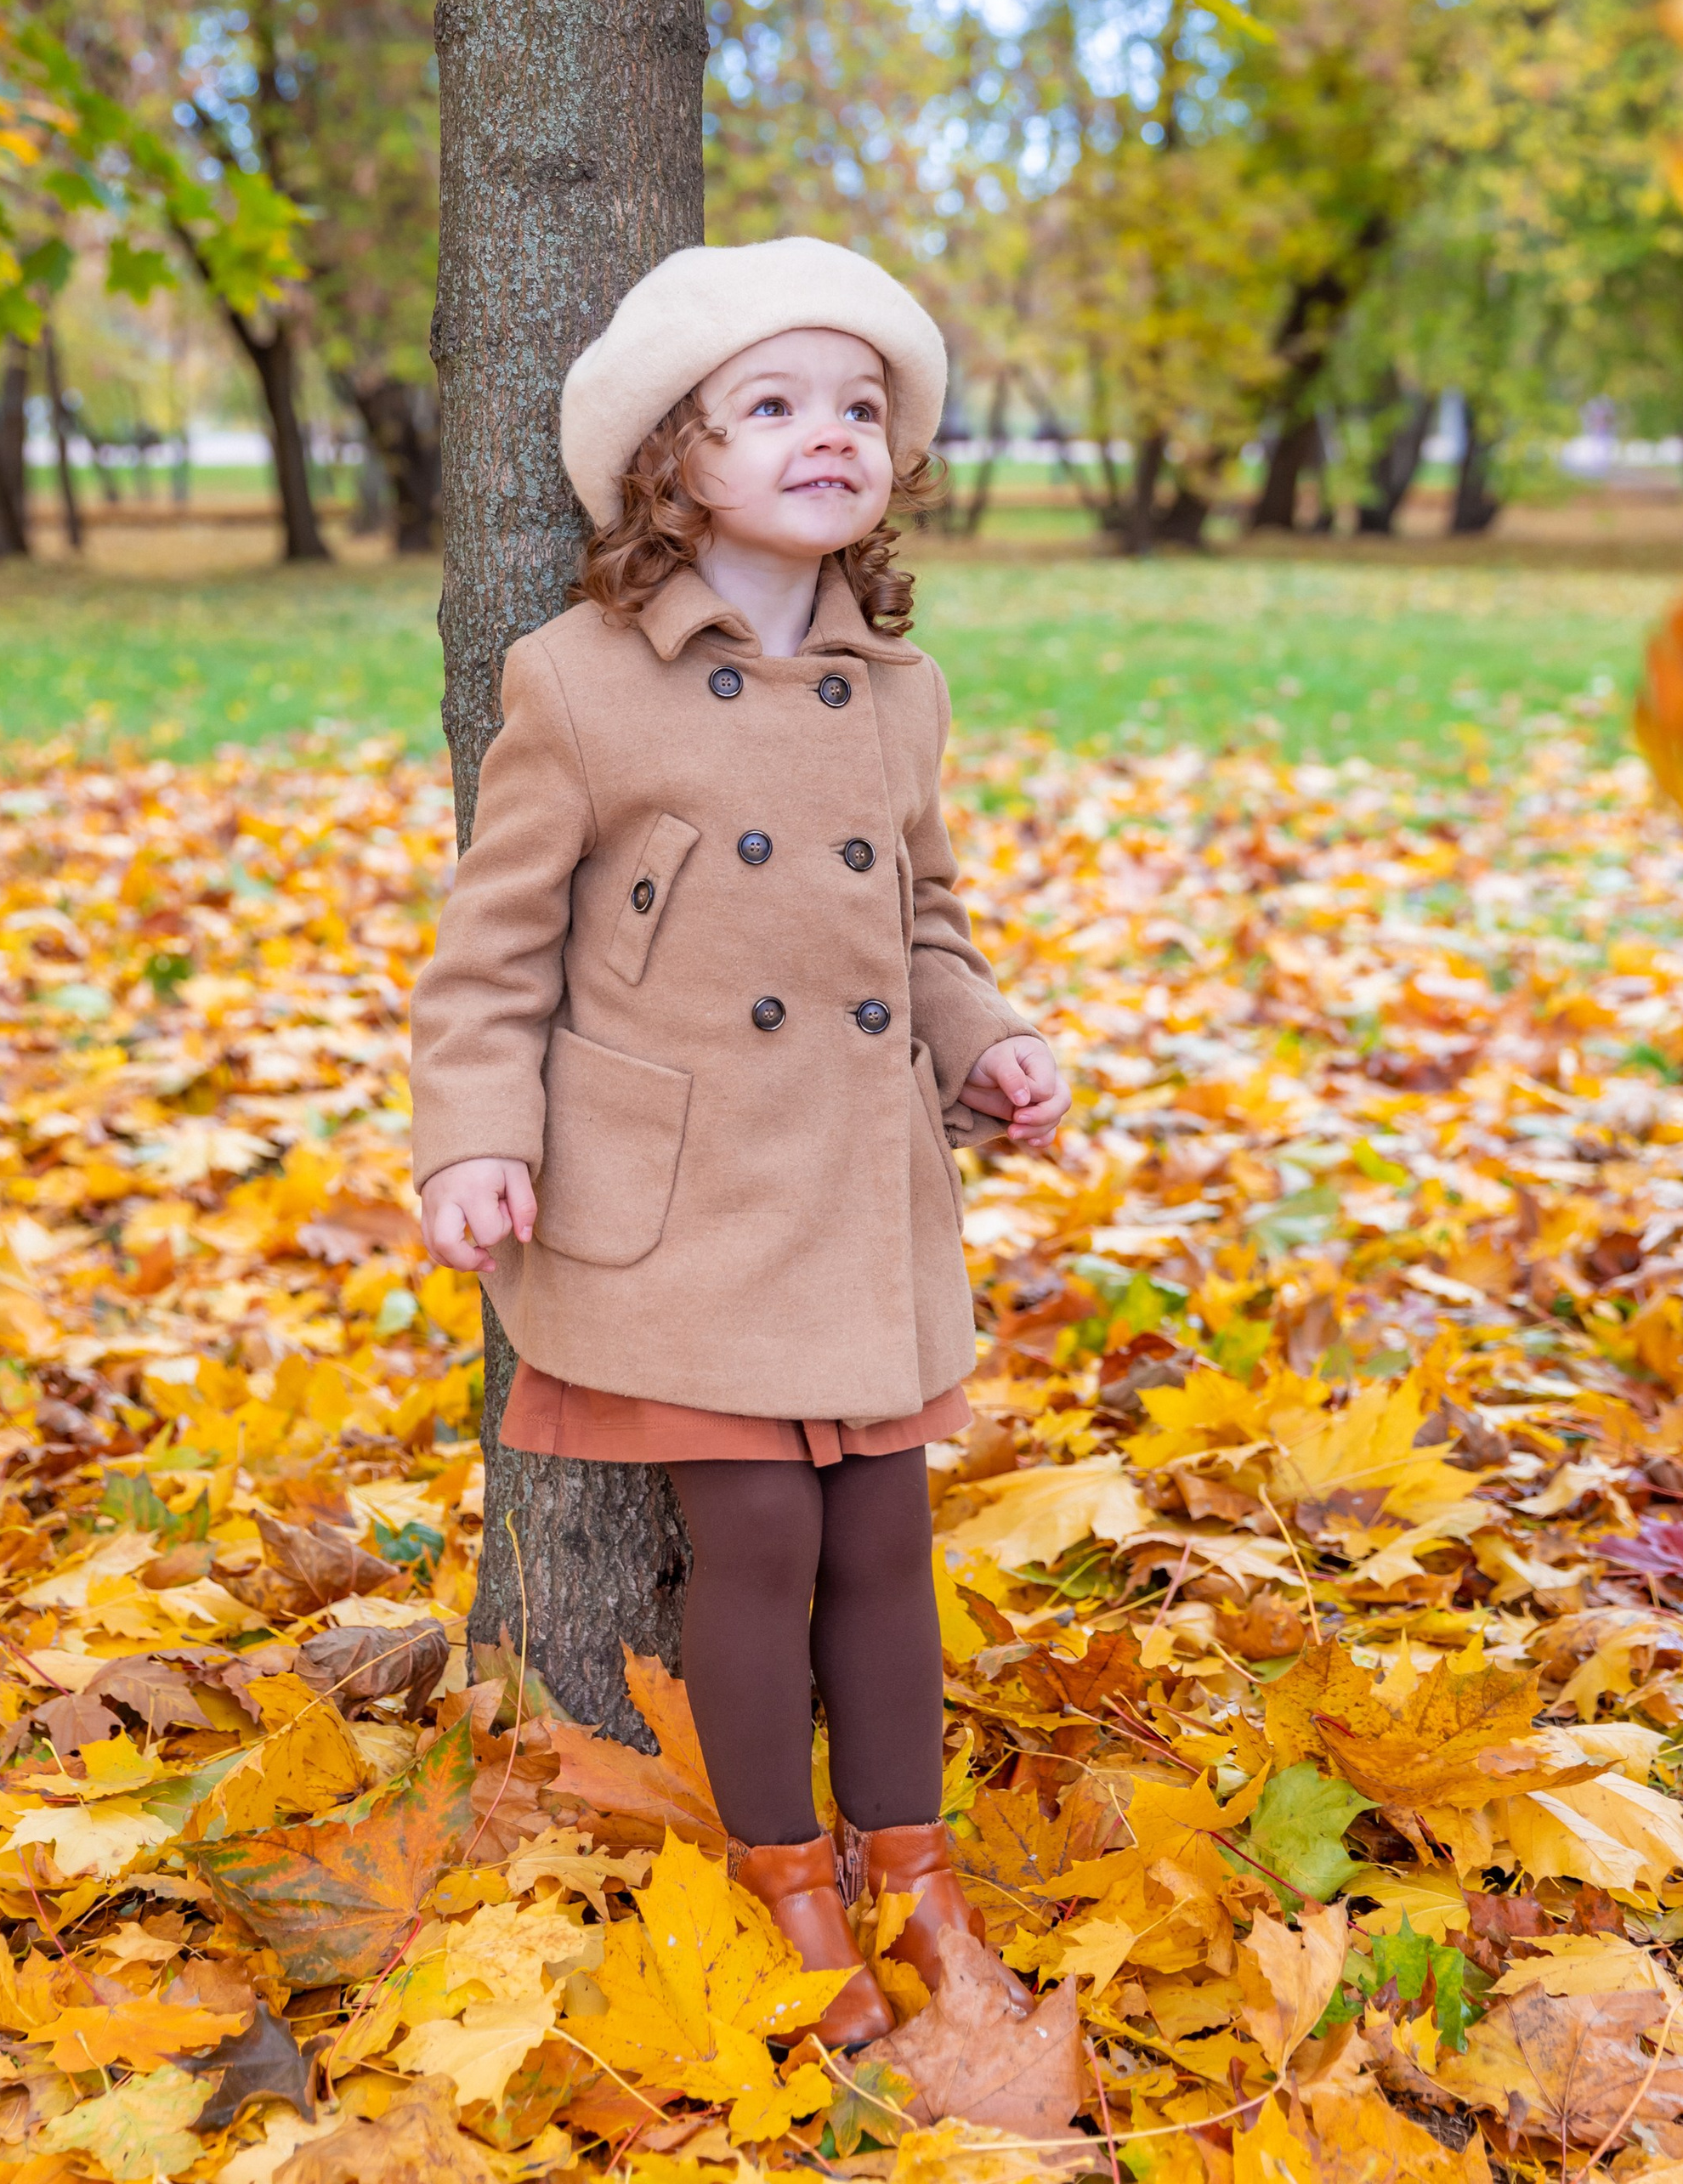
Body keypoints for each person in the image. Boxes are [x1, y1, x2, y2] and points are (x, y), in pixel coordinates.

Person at [411, 237, 1067, 2043]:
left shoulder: (899, 689)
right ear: (673, 464)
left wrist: (989, 1041)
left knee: (887, 1537)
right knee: (762, 1532)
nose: (827, 433)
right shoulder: (577, 680)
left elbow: (921, 925)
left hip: (854, 1187)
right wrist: (470, 1137)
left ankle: (914, 1875)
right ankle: (785, 1883)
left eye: (858, 406)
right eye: (770, 406)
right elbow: (492, 949)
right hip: (682, 1194)